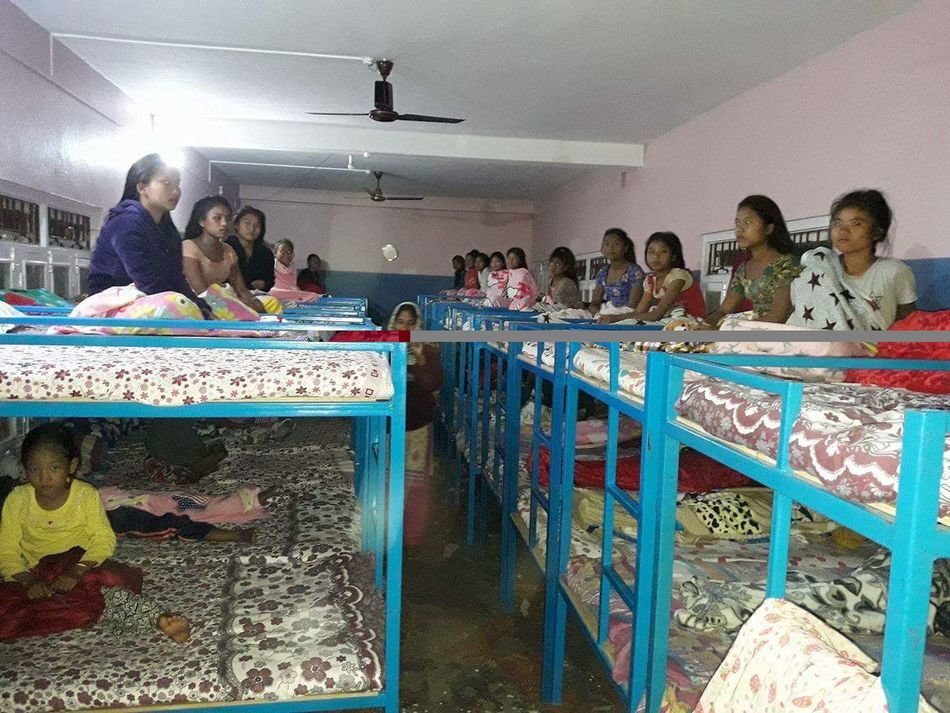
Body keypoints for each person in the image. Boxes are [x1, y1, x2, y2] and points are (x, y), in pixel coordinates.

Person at [0, 424, 190, 642]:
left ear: (71, 466)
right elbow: (6, 551)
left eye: (54, 468)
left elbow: (103, 540)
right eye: (35, 469)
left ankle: (158, 619)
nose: (45, 477)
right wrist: (28, 581)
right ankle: (71, 611)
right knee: (10, 604)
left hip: (79, 568)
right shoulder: (18, 499)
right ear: (24, 468)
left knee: (108, 592)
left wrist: (76, 571)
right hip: (35, 574)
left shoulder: (84, 495)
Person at [87, 153, 212, 317]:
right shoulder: (126, 222)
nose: (175, 190)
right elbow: (145, 278)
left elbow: (175, 277)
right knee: (184, 313)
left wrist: (200, 306)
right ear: (142, 188)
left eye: (177, 183)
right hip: (110, 305)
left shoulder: (167, 230)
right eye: (166, 183)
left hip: (149, 301)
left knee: (202, 312)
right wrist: (185, 308)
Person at [788, 190, 916, 331]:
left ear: (876, 232)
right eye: (837, 223)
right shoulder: (822, 269)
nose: (843, 230)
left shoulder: (893, 271)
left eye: (856, 224)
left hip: (873, 349)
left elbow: (908, 322)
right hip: (819, 348)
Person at [701, 196, 801, 327]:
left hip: (783, 335)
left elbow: (778, 316)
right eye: (737, 223)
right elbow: (724, 309)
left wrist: (734, 330)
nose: (739, 229)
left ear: (769, 228)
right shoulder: (744, 269)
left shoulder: (785, 264)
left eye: (748, 222)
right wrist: (703, 326)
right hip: (754, 332)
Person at [389, 303, 442, 546]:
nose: (405, 326)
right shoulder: (385, 349)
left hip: (418, 424)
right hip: (390, 425)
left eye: (411, 322)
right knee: (390, 483)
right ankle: (389, 535)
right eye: (401, 321)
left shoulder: (428, 351)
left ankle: (411, 537)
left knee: (416, 486)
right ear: (394, 322)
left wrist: (420, 360)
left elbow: (434, 384)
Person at [599, 232, 706, 322]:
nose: (656, 256)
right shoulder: (650, 280)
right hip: (669, 320)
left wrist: (617, 319)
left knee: (633, 325)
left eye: (663, 252)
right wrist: (614, 318)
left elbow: (658, 314)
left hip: (690, 322)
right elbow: (639, 311)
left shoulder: (679, 276)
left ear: (673, 256)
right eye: (651, 252)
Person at [182, 196, 264, 313]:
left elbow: (241, 289)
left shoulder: (228, 251)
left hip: (219, 303)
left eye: (228, 218)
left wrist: (257, 306)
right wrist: (239, 304)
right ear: (201, 221)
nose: (224, 223)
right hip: (194, 306)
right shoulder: (188, 247)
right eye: (217, 218)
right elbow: (202, 292)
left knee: (267, 304)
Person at [591, 228, 645, 318]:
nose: (611, 248)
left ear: (626, 248)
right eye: (607, 244)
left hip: (627, 315)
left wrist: (612, 316)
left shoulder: (634, 271)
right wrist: (597, 313)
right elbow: (595, 302)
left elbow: (633, 306)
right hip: (607, 313)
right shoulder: (603, 272)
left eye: (616, 244)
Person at [225, 206, 275, 292]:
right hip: (228, 295)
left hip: (257, 295)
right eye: (247, 223)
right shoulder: (225, 248)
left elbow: (270, 280)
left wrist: (264, 284)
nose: (252, 229)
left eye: (257, 225)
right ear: (236, 225)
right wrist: (249, 285)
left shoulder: (265, 253)